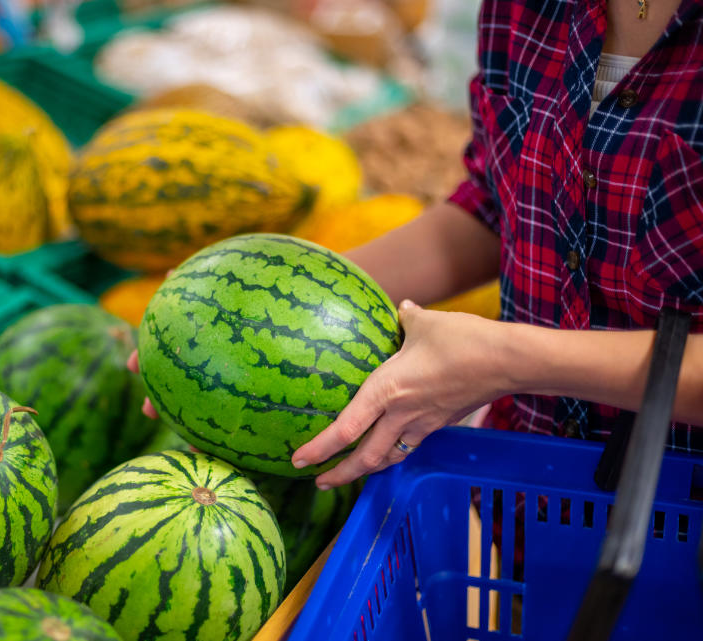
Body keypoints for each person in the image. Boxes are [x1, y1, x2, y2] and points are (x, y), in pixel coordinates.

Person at [129, 0, 703, 490]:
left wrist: (508, 361)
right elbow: (499, 205)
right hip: (522, 478)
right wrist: (278, 301)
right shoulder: (524, 8)